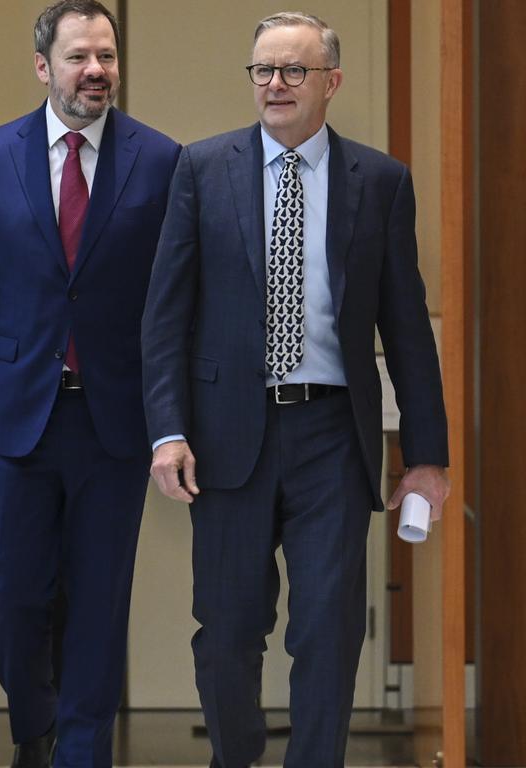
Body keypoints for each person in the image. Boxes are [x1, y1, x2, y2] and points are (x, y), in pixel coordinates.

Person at [142, 12, 450, 768]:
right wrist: (167, 429)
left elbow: (406, 326)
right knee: (227, 626)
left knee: (328, 627)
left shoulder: (379, 182)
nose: (274, 85)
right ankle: (236, 757)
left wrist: (427, 456)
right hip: (225, 436)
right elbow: (164, 316)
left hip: (330, 437)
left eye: (292, 71)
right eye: (262, 71)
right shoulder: (201, 168)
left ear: (331, 82)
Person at [0, 2, 181, 765]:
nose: (96, 71)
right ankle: (35, 726)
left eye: (106, 56)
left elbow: (173, 300)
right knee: (13, 599)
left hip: (114, 421)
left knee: (99, 611)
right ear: (43, 66)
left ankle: (83, 753)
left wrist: (174, 419)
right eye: (79, 56)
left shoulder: (161, 159)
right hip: (15, 418)